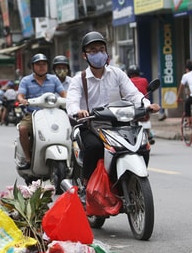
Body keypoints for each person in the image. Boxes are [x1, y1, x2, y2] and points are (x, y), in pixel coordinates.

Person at [66, 31, 160, 184]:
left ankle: (132, 180)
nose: (99, 54)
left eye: (102, 49)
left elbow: (133, 94)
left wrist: (148, 106)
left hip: (116, 122)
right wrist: (78, 111)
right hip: (89, 124)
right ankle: (87, 184)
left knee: (141, 144)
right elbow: (71, 102)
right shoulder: (79, 79)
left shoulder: (117, 74)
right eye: (93, 51)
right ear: (85, 55)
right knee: (95, 148)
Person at [17, 53, 66, 169]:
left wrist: (68, 99)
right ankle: (28, 159)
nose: (41, 67)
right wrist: (22, 100)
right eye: (38, 64)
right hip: (33, 114)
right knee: (23, 129)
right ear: (33, 66)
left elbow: (63, 94)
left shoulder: (54, 79)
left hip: (53, 114)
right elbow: (20, 95)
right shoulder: (26, 80)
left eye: (44, 64)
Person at [127, 65, 156, 144]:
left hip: (132, 106)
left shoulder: (128, 81)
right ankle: (149, 133)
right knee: (146, 116)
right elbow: (147, 92)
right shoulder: (144, 80)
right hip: (143, 105)